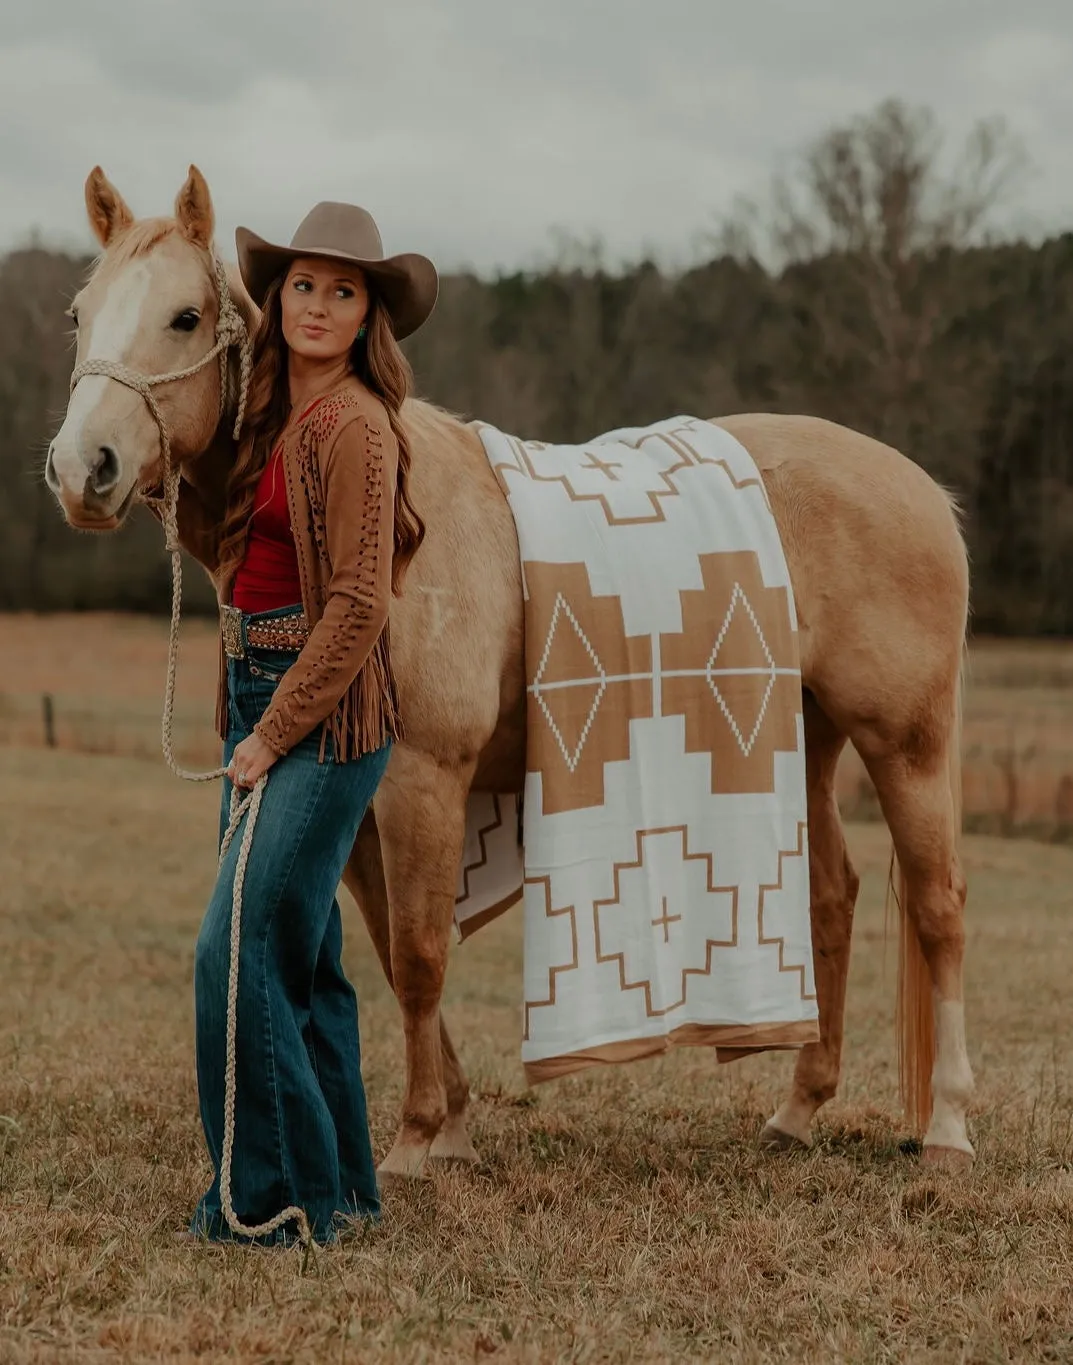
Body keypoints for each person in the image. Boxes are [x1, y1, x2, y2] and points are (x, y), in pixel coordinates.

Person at [186, 202, 436, 1244]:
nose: (318, 305)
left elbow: (359, 606)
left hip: (323, 720)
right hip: (262, 693)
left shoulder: (355, 428)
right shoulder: (277, 416)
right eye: (302, 285)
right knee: (302, 958)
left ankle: (273, 1204)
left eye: (343, 290)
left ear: (368, 313)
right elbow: (233, 553)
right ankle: (343, 1194)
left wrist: (270, 731)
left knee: (231, 951)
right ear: (276, 297)